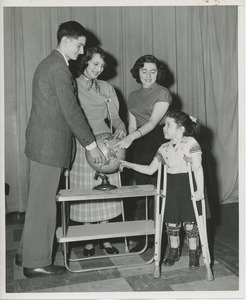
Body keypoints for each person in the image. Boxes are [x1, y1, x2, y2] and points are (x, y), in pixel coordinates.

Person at [15, 21, 105, 278]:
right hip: (48, 146)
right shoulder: (57, 67)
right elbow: (72, 111)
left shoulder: (52, 64)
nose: (81, 52)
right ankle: (36, 263)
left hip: (43, 145)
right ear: (66, 40)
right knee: (43, 205)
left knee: (37, 202)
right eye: (79, 46)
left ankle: (26, 252)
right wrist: (92, 144)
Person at [120, 110, 208, 269]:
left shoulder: (191, 143)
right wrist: (129, 164)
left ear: (180, 129)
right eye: (164, 125)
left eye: (168, 125)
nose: (164, 128)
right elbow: (150, 170)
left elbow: (197, 167)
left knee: (190, 222)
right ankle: (174, 250)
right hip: (171, 186)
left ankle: (194, 251)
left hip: (188, 185)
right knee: (172, 221)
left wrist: (200, 190)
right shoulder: (163, 147)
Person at [69, 46, 127, 257]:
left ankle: (106, 237)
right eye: (95, 64)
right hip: (83, 142)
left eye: (102, 66)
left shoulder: (107, 88)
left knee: (106, 192)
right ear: (84, 62)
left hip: (105, 143)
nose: (99, 69)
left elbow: (115, 118)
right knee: (87, 192)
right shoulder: (71, 85)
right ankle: (88, 240)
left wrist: (121, 127)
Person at [116, 54, 172, 252]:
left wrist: (131, 138)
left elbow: (152, 123)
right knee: (142, 194)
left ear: (159, 73)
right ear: (137, 72)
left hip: (159, 142)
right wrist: (124, 148)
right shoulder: (132, 96)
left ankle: (163, 238)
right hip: (140, 146)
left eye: (153, 71)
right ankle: (146, 237)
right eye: (144, 71)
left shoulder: (163, 93)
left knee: (160, 193)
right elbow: (132, 126)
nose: (148, 75)